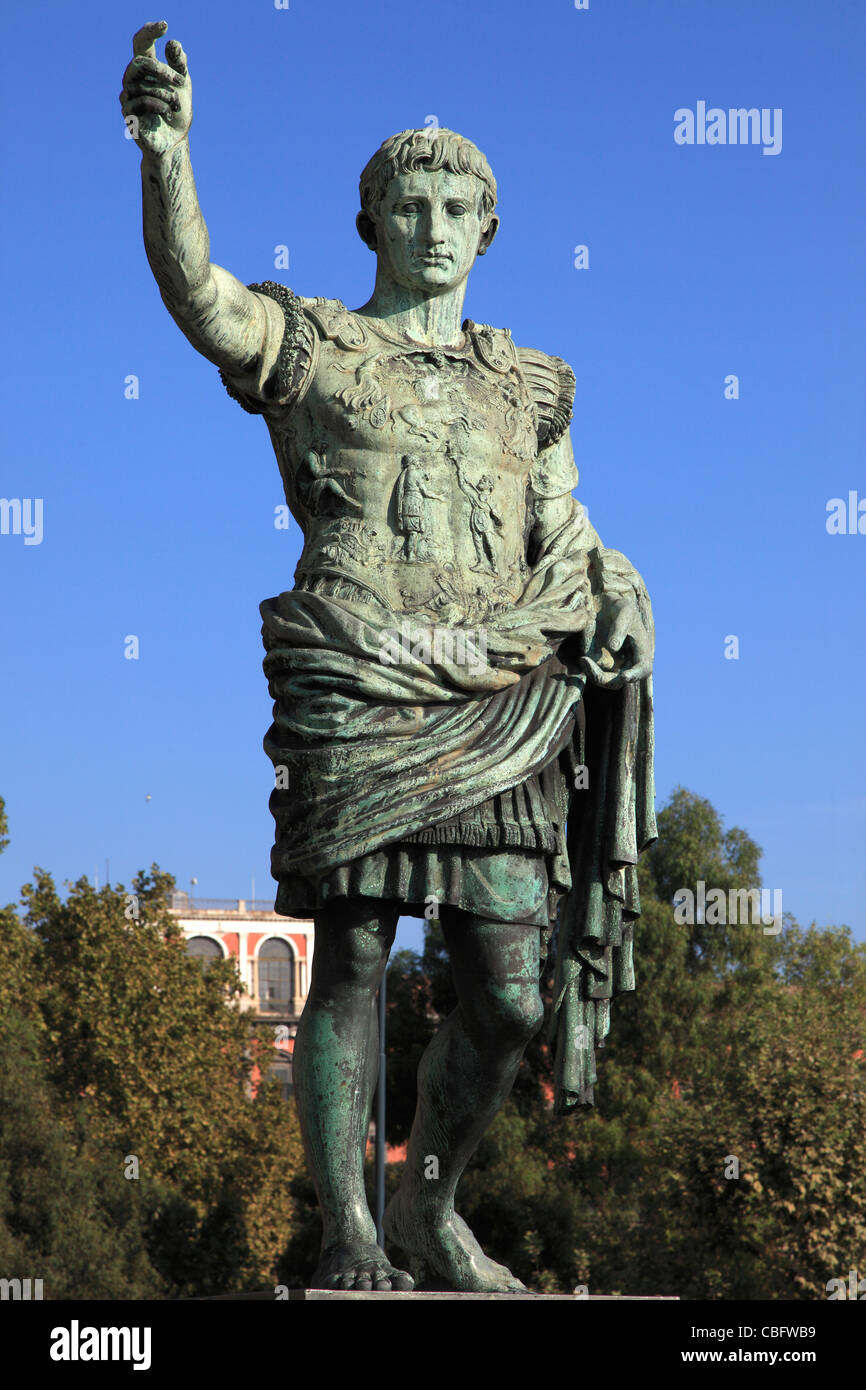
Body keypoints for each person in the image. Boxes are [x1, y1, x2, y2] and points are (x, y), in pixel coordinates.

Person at [121, 21, 656, 1294]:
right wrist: (166, 154)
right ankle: (350, 1227)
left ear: (485, 229)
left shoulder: (528, 386)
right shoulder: (314, 348)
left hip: (504, 695)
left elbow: (566, 527)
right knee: (350, 952)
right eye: (405, 202)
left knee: (512, 991)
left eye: (454, 204)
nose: (429, 222)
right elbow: (200, 293)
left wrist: (619, 587)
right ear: (368, 223)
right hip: (359, 673)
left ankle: (425, 1203)